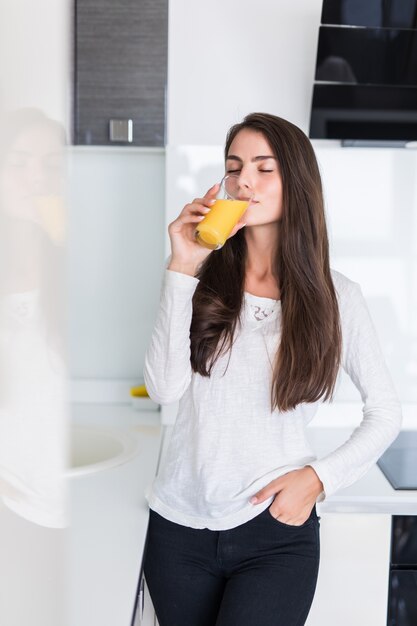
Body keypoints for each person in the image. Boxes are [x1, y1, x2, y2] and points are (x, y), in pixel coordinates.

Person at [142, 112, 402, 626]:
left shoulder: (335, 295)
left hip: (275, 532)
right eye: (235, 167)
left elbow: (385, 412)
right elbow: (164, 389)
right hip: (178, 529)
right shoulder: (198, 278)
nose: (245, 181)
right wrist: (181, 266)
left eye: (265, 168)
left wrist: (317, 479)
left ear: (297, 184)